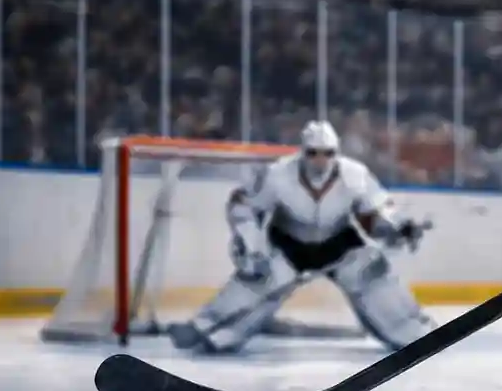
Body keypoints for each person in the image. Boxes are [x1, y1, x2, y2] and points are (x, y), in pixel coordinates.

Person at [168, 119, 437, 353]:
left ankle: (417, 333)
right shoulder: (277, 174)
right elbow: (244, 205)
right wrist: (251, 243)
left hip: (340, 243)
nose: (321, 160)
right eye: (313, 153)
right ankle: (209, 329)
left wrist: (398, 226)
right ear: (303, 152)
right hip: (288, 245)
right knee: (258, 280)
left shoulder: (355, 175)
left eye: (328, 153)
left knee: (373, 276)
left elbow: (377, 210)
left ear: (337, 152)